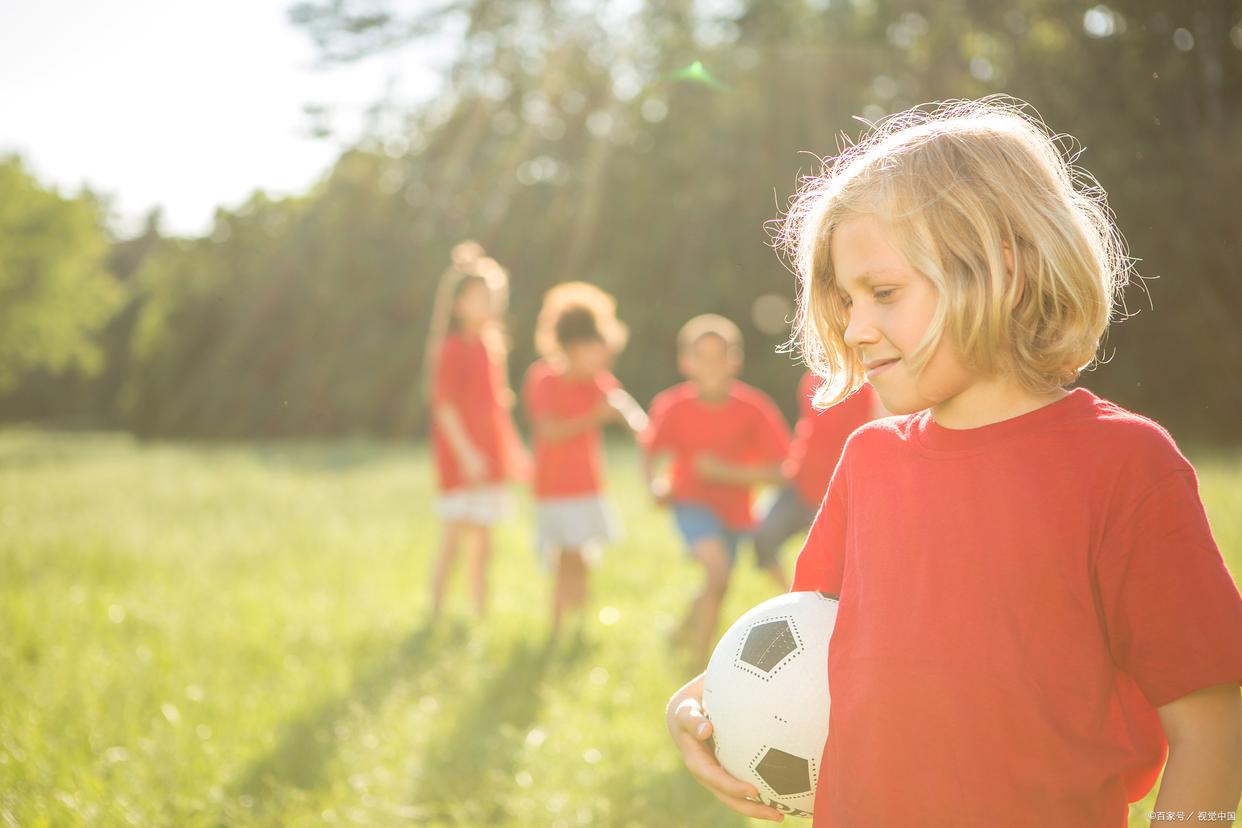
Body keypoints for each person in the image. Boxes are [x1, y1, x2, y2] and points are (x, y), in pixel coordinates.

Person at [666, 98, 1242, 825]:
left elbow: (1213, 730)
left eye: (883, 293)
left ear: (1004, 271)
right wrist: (694, 704)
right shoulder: (868, 460)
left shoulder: (1126, 466)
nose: (856, 326)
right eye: (845, 301)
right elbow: (818, 654)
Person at [643, 314, 791, 667]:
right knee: (717, 571)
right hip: (690, 503)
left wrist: (727, 473)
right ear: (685, 362)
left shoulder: (754, 409)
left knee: (719, 585)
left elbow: (781, 473)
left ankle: (682, 632)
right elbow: (648, 450)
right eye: (701, 356)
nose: (710, 366)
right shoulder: (672, 406)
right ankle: (701, 666)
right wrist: (654, 484)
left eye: (719, 356)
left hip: (737, 512)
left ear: (734, 361)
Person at [522, 282, 645, 636]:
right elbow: (550, 432)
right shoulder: (544, 380)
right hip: (555, 488)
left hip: (587, 485)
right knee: (567, 559)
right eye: (596, 350)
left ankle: (578, 624)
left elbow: (626, 410)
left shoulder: (599, 381)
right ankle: (560, 626)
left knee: (581, 559)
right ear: (572, 348)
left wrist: (643, 430)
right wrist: (595, 417)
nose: (603, 358)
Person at [424, 241, 526, 620]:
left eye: (492, 297)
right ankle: (435, 611)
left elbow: (499, 409)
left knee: (485, 543)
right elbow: (444, 407)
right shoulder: (453, 348)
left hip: (489, 458)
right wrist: (466, 453)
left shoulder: (489, 348)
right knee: (453, 538)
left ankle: (478, 613)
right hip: (462, 460)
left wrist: (513, 454)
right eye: (480, 297)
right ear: (457, 304)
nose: (489, 305)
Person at [751, 372, 886, 591]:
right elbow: (807, 428)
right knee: (763, 537)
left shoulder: (868, 386)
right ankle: (788, 597)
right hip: (799, 484)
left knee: (837, 569)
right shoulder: (810, 379)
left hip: (838, 493)